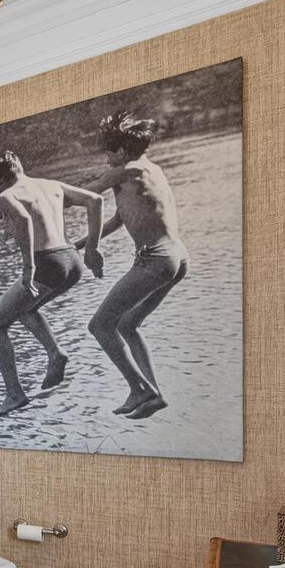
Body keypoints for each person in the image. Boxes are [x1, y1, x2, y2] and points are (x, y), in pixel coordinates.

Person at [77, 111, 188, 420]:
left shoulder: (123, 171)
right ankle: (153, 394)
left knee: (99, 326)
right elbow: (119, 219)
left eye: (108, 152)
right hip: (177, 258)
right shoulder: (150, 169)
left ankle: (140, 389)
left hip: (154, 259)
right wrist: (79, 245)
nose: (106, 159)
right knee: (126, 324)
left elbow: (84, 196)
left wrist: (41, 198)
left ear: (121, 151)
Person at [0, 150, 105, 416]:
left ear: (1, 178)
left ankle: (14, 394)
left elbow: (24, 219)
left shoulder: (6, 196)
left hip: (46, 263)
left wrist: (28, 267)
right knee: (23, 309)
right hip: (72, 261)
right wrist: (92, 248)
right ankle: (56, 354)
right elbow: (95, 200)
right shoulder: (51, 185)